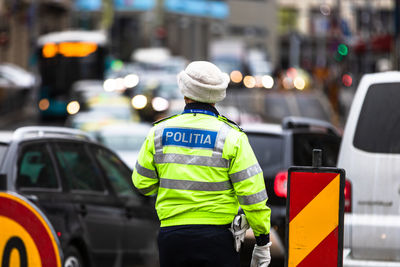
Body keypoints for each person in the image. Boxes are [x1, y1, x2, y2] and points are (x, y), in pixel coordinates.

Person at [132, 61, 271, 267]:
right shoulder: (231, 137)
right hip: (217, 239)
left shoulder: (159, 133)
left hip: (173, 238)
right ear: (217, 94)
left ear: (184, 91)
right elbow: (253, 195)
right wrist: (262, 241)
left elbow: (142, 183)